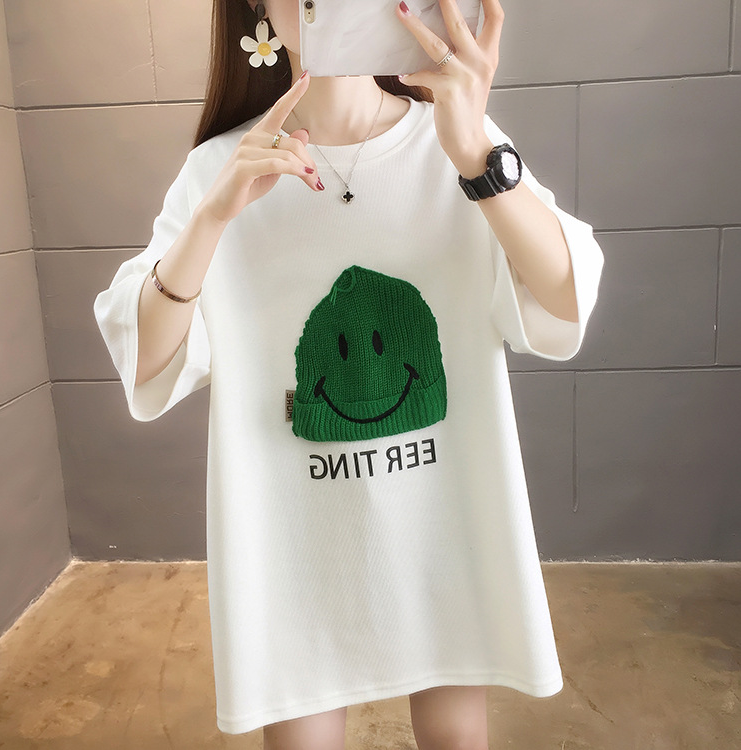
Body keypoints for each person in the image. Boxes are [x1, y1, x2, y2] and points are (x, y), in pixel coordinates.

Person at [94, 0, 603, 747]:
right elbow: (145, 359)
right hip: (294, 542)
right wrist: (211, 222)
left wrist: (475, 154)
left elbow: (566, 299)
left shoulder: (456, 138)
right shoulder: (222, 169)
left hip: (445, 523)